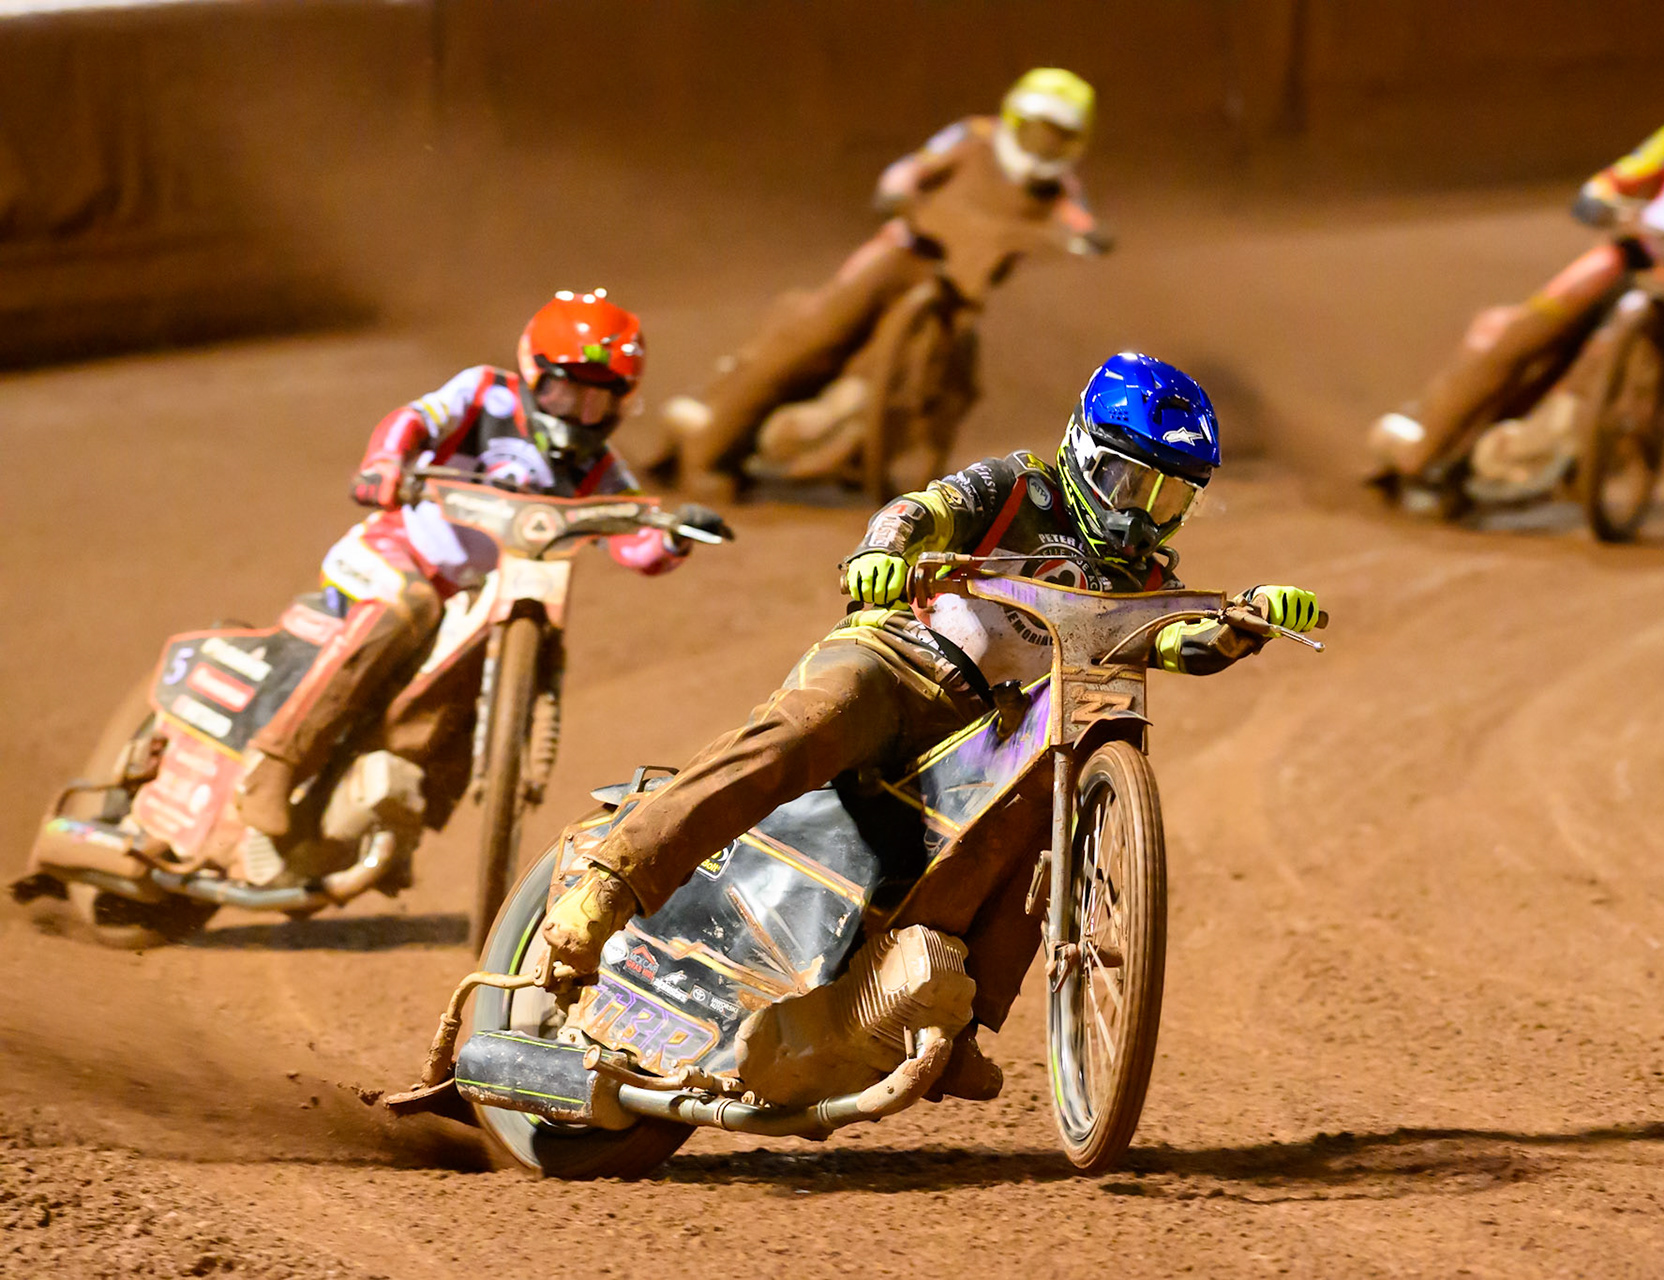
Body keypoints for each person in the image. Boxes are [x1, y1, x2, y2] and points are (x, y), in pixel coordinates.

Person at [539, 352, 1321, 1098]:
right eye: (1132, 484)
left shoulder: (1143, 581)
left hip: (993, 730)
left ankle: (954, 1022)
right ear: (1085, 451)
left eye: (1171, 500)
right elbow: (920, 509)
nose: (1144, 516)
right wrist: (881, 552)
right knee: (810, 723)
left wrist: (1241, 623)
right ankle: (616, 877)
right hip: (901, 661)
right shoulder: (1019, 487)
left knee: (1042, 820)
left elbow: (1171, 640)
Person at [233, 289, 729, 837]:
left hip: (481, 596)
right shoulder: (484, 394)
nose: (577, 414)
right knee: (406, 606)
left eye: (594, 402)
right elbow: (413, 420)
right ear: (532, 372)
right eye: (564, 393)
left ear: (619, 403)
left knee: (479, 680)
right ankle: (272, 768)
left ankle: (397, 813)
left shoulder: (601, 471)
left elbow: (633, 543)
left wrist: (676, 537)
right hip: (398, 553)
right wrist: (385, 463)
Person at [1368, 53, 1664, 500]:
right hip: (1628, 255)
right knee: (1527, 330)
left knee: (1650, 370)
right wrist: (1599, 194)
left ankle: (1544, 453)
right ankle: (1424, 441)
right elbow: (1625, 174)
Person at [661, 68, 1112, 501]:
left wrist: (1088, 237)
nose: (1046, 146)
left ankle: (872, 462)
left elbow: (1079, 218)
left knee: (951, 378)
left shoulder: (1058, 188)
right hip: (902, 254)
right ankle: (710, 448)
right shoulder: (974, 138)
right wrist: (898, 190)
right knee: (815, 334)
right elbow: (914, 167)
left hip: (958, 291)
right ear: (1015, 121)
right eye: (1039, 132)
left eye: (1061, 137)